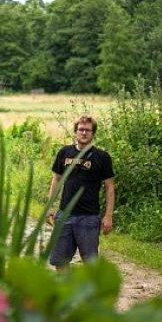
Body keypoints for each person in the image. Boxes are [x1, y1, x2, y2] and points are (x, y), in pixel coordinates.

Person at [47, 115, 115, 269]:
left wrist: (109, 215)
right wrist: (50, 207)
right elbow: (56, 180)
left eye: (88, 130)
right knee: (59, 261)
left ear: (93, 134)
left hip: (89, 217)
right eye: (81, 129)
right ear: (75, 132)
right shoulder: (64, 152)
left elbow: (110, 186)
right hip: (64, 215)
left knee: (90, 264)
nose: (84, 133)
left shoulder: (102, 157)